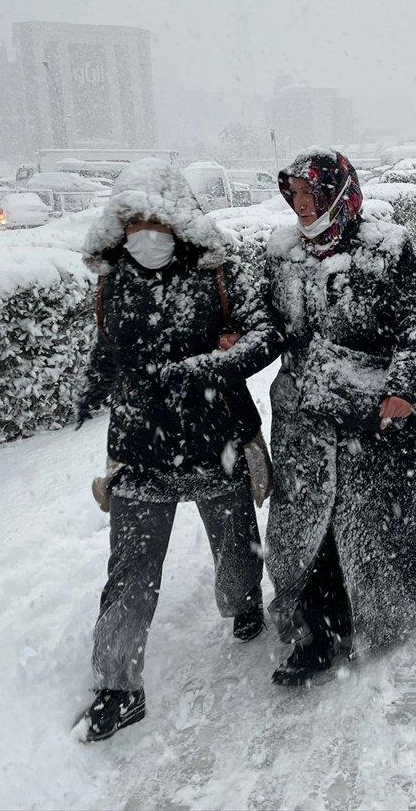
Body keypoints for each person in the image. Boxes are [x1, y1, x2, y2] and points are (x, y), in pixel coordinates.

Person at [73, 159, 279, 741]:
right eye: (134, 226)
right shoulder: (113, 281)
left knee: (236, 544)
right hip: (141, 448)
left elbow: (267, 333)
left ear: (180, 225)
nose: (147, 238)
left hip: (217, 439)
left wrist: (214, 365)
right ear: (118, 230)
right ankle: (116, 685)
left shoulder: (219, 273)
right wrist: (90, 390)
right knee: (130, 571)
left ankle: (243, 604)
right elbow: (108, 348)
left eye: (157, 225)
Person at [263, 148, 416, 687]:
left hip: (372, 423)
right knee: (311, 526)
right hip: (305, 422)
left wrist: (402, 387)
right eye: (294, 194)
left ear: (337, 194)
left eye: (311, 193)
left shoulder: (383, 251)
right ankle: (316, 635)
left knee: (368, 526)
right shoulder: (284, 257)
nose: (301, 205)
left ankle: (372, 613)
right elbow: (272, 326)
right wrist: (230, 353)